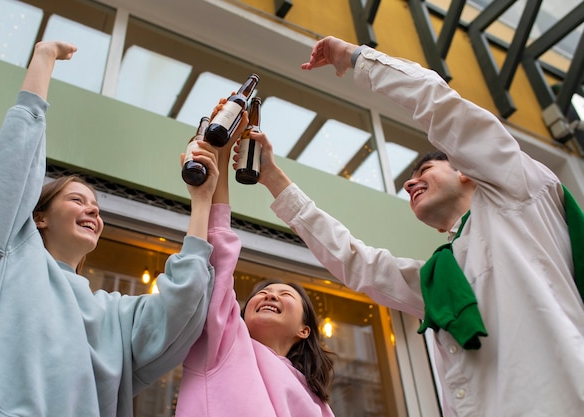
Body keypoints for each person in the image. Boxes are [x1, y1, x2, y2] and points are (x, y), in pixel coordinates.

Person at [238, 36, 584, 417]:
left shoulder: (518, 193)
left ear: (469, 170)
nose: (408, 182)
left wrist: (356, 58)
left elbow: (441, 105)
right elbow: (356, 261)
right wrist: (271, 176)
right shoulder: (439, 279)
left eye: (424, 170)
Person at [0, 41, 220, 417]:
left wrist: (201, 201)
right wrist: (43, 60)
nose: (92, 210)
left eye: (96, 207)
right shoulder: (7, 255)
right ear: (39, 217)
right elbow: (11, 169)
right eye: (77, 200)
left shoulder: (113, 315)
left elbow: (181, 308)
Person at [175, 100, 335, 417]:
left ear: (305, 330)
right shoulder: (225, 343)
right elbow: (218, 251)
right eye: (262, 293)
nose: (270, 294)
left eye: (285, 294)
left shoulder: (318, 404)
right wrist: (222, 151)